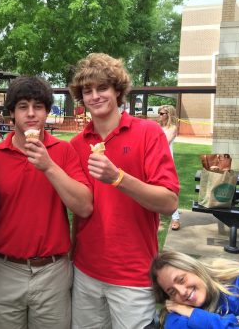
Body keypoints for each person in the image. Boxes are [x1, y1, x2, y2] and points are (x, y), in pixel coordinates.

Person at [69, 53, 180, 329]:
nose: (95, 96)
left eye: (102, 87)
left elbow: (168, 201)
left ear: (117, 90)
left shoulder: (148, 133)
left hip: (133, 275)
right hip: (85, 271)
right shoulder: (76, 144)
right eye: (87, 90)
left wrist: (118, 177)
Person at [0, 75, 93, 329]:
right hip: (5, 269)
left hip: (53, 271)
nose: (31, 114)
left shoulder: (63, 152)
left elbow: (84, 206)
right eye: (23, 107)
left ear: (46, 112)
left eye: (38, 107)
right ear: (12, 113)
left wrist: (49, 166)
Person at [150, 250, 239, 328]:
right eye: (172, 292)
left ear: (195, 269)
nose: (182, 292)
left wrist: (193, 314)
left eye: (181, 280)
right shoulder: (177, 320)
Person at [159, 105, 181, 231]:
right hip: (155, 161)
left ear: (169, 114)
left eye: (162, 113)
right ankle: (156, 217)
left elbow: (164, 143)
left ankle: (176, 218)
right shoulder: (158, 127)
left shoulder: (172, 128)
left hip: (167, 162)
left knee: (170, 190)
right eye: (159, 113)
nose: (160, 115)